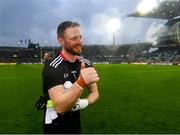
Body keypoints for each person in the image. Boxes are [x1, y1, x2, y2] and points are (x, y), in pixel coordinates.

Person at [42, 21, 100, 134]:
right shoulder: (52, 67)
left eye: (80, 37)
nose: (80, 42)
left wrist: (84, 102)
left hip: (75, 127)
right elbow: (59, 107)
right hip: (55, 128)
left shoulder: (86, 63)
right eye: (74, 38)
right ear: (61, 41)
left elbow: (95, 93)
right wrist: (81, 82)